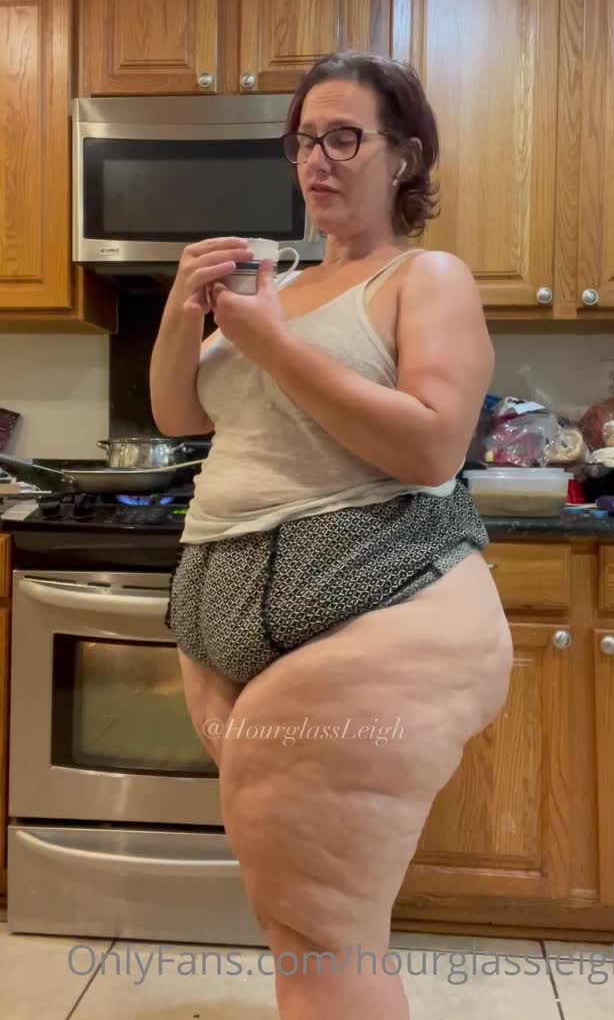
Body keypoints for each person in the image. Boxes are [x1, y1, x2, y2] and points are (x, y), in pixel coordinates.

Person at [150, 51, 513, 1020]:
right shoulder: (283, 284)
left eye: (344, 137)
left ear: (405, 156)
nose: (317, 158)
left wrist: (269, 343)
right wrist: (186, 310)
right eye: (305, 139)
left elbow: (430, 447)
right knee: (302, 923)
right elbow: (181, 416)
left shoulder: (423, 277)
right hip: (238, 608)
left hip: (372, 599)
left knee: (319, 929)